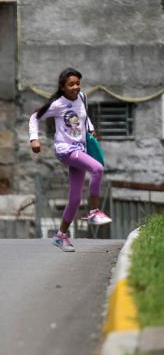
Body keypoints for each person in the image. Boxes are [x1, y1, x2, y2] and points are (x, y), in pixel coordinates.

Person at [29, 67, 112, 252]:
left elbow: (84, 116)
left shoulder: (82, 97)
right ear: (63, 87)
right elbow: (35, 117)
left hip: (80, 149)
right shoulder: (58, 104)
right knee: (97, 169)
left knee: (74, 199)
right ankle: (93, 212)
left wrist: (90, 128)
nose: (75, 87)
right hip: (65, 150)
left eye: (77, 83)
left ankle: (60, 236)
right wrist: (34, 138)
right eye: (71, 84)